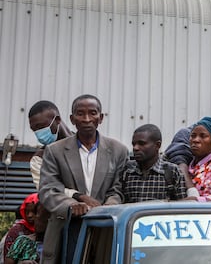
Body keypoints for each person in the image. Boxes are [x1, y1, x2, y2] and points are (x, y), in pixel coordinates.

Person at [38, 94, 129, 263]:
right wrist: (71, 205)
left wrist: (107, 208)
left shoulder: (119, 151)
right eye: (80, 114)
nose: (87, 119)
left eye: (92, 113)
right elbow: (48, 190)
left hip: (106, 227)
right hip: (67, 226)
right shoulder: (54, 151)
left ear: (100, 118)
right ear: (72, 119)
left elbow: (119, 189)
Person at [162, 111, 211, 198]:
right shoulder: (190, 165)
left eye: (203, 136)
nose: (195, 140)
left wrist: (197, 201)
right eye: (193, 136)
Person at [121, 124, 187, 202]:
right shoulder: (127, 170)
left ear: (157, 145)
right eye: (134, 144)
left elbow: (182, 206)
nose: (135, 148)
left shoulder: (172, 171)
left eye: (141, 144)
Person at [28, 100, 73, 189]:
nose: (38, 133)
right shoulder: (39, 158)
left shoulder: (85, 145)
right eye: (34, 129)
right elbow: (48, 191)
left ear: (57, 120)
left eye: (41, 126)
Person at [2, 194, 38, 262]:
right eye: (27, 212)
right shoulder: (17, 232)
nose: (30, 215)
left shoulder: (51, 234)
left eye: (33, 212)